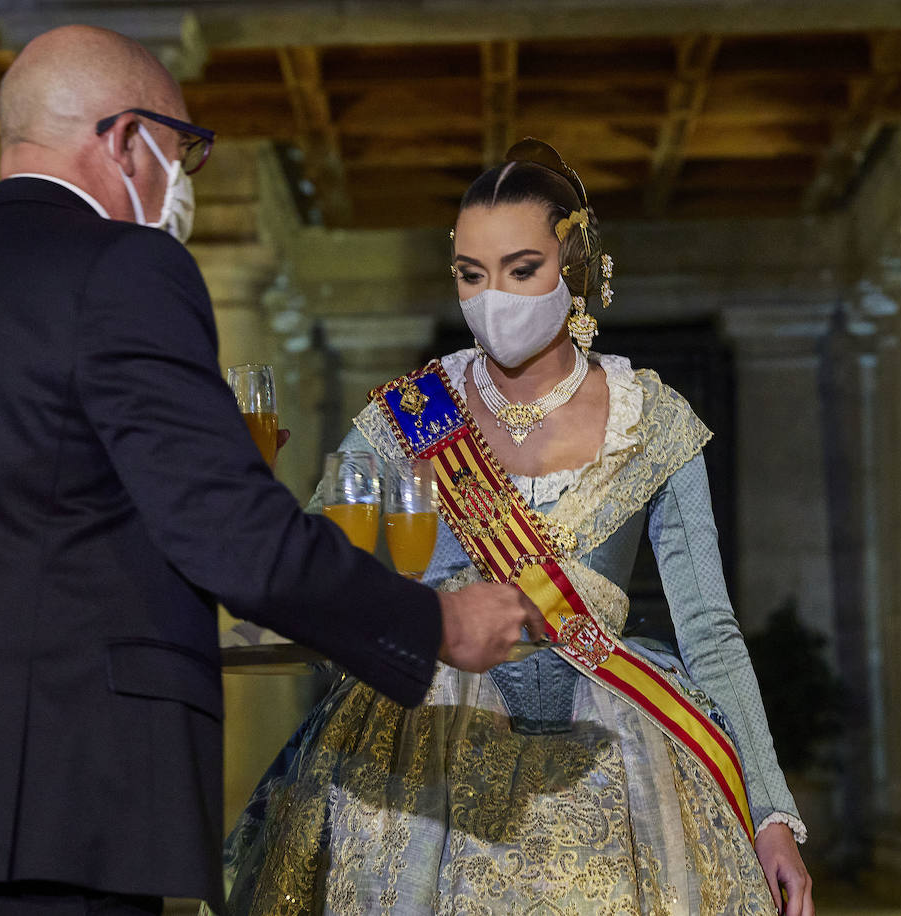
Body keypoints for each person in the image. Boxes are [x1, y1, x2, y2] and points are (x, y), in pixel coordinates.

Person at [0, 26, 542, 916]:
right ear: (125, 139)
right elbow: (233, 536)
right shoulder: (126, 268)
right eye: (185, 148)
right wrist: (436, 623)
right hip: (66, 808)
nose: (184, 177)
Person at [217, 140, 815, 915]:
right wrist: (242, 493)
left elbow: (708, 627)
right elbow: (306, 573)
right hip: (419, 748)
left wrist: (770, 811)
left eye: (520, 269)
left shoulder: (654, 420)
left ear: (573, 267)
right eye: (472, 274)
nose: (492, 296)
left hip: (618, 753)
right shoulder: (407, 417)